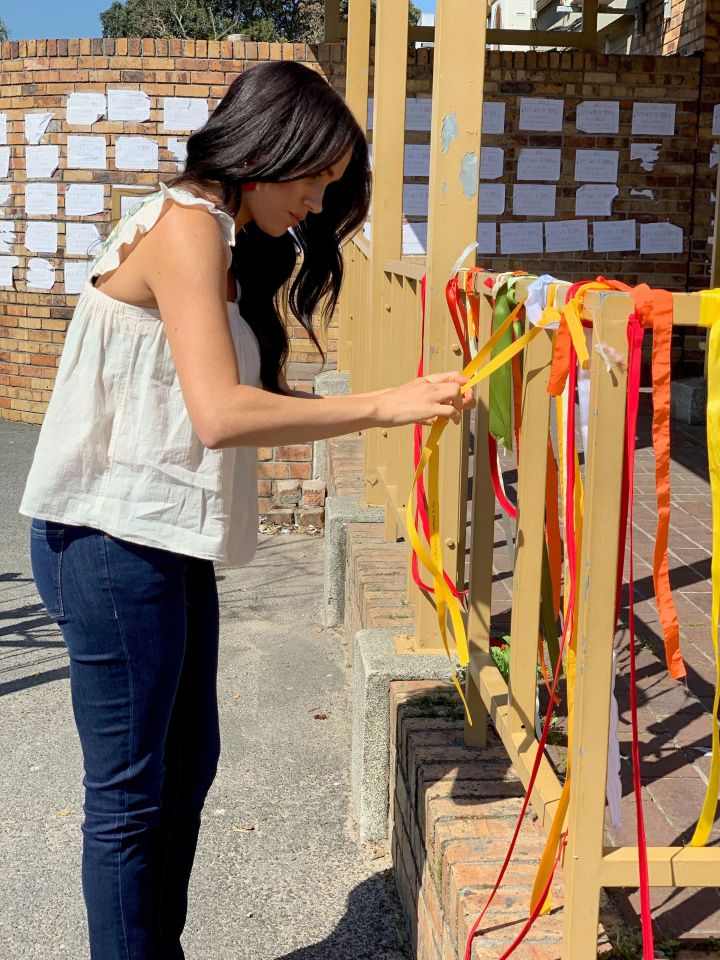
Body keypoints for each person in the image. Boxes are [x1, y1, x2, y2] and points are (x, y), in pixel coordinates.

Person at [20, 61, 473, 960]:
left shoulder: (222, 243)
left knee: (186, 771)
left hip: (161, 539)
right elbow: (221, 413)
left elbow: (234, 403)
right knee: (130, 795)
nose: (315, 204)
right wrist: (387, 404)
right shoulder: (186, 228)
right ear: (269, 153)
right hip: (109, 541)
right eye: (315, 180)